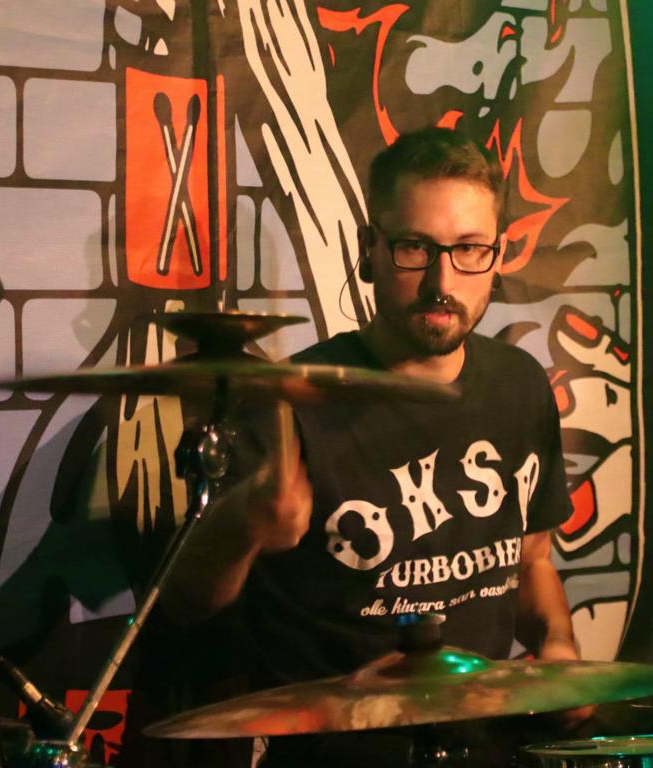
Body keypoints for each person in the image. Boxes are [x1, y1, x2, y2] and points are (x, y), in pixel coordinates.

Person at [165, 126, 580, 766]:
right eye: (415, 248)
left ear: (497, 256)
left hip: (483, 745)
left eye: (470, 249)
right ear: (369, 250)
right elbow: (188, 603)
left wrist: (558, 645)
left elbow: (531, 561)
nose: (443, 279)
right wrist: (246, 519)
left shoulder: (520, 385)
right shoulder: (291, 402)